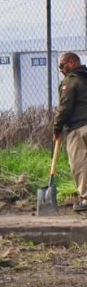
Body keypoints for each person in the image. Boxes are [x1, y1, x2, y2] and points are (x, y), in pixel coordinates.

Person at [55, 51, 87, 212]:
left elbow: (64, 107)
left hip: (78, 128)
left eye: (62, 65)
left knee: (79, 163)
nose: (60, 69)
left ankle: (86, 198)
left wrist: (57, 127)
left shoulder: (71, 81)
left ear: (72, 63)